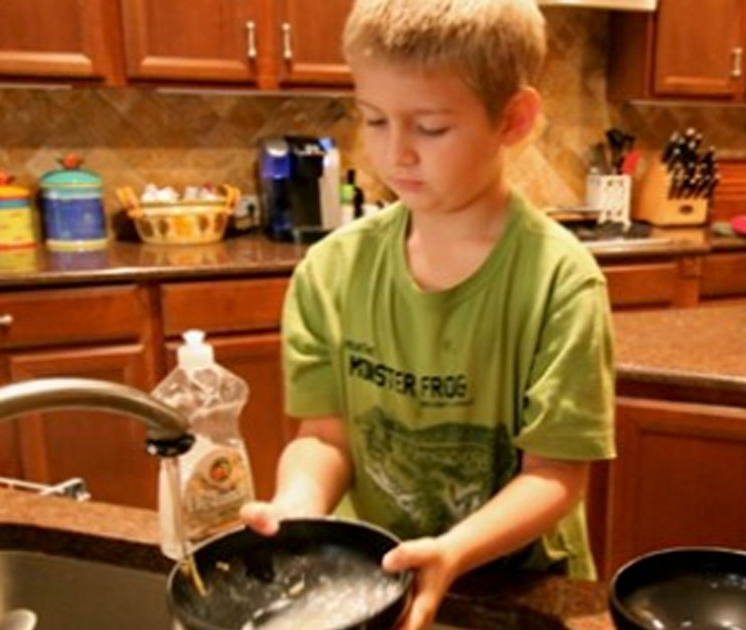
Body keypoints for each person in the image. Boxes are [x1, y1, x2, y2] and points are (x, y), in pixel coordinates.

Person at [239, 1, 616, 628]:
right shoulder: (330, 272)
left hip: (521, 589)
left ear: (513, 120)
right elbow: (325, 436)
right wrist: (297, 507)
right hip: (379, 582)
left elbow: (555, 473)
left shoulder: (561, 284)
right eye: (374, 119)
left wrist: (454, 551)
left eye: (432, 128)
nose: (396, 154)